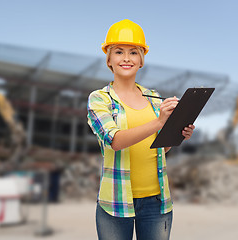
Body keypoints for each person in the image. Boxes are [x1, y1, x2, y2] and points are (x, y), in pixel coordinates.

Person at [87, 19, 195, 240]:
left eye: (133, 52)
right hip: (115, 203)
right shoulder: (100, 99)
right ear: (109, 59)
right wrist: (159, 123)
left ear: (141, 59)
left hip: (157, 201)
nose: (126, 58)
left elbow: (159, 150)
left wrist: (178, 134)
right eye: (118, 52)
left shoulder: (154, 98)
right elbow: (114, 141)